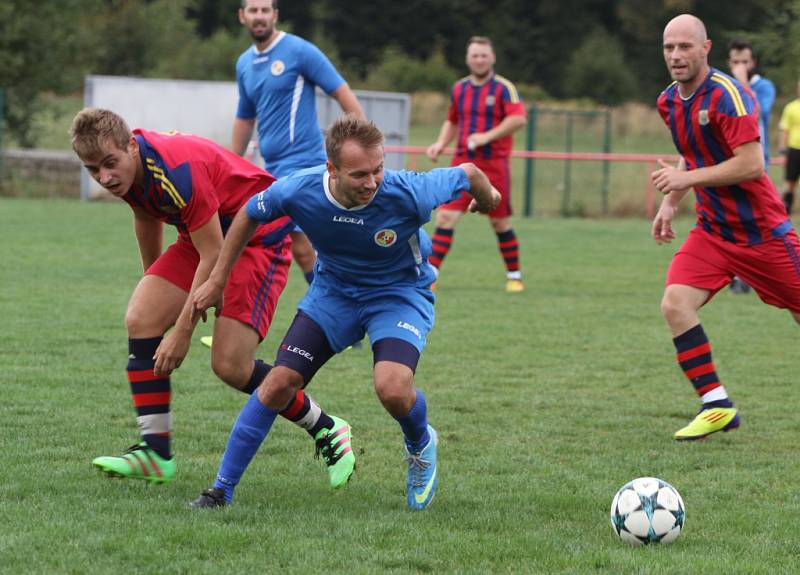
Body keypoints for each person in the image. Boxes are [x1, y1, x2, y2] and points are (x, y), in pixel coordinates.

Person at [188, 115, 501, 509]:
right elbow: (250, 213)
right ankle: (220, 490)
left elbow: (470, 172)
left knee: (392, 388)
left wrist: (488, 198)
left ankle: (421, 442)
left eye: (378, 170)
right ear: (331, 169)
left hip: (399, 293)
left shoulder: (409, 191)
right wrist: (217, 280)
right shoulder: (299, 190)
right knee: (279, 382)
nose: (372, 182)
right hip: (334, 294)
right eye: (359, 175)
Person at [70, 108, 355, 487]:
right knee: (142, 316)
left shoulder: (176, 172)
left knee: (231, 366)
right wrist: (156, 288)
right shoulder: (129, 171)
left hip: (258, 236)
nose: (104, 177)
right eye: (93, 170)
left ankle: (326, 427)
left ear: (131, 147)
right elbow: (146, 217)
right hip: (207, 233)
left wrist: (182, 331)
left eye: (109, 164)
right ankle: (155, 453)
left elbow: (214, 254)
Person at [652, 15, 800, 441]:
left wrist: (685, 182)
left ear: (705, 48)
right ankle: (716, 403)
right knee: (675, 304)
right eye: (668, 48)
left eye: (684, 47)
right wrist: (670, 202)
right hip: (714, 232)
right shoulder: (668, 101)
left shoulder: (729, 96)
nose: (676, 56)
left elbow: (752, 164)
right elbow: (690, 155)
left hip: (762, 233)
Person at [233, 0, 365, 286]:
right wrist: (233, 165)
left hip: (305, 164)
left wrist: (363, 143)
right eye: (253, 11)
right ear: (242, 16)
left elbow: (342, 92)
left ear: (275, 15)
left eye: (265, 10)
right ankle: (335, 307)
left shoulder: (299, 51)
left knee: (260, 240)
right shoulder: (244, 63)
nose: (259, 16)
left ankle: (340, 305)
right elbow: (245, 118)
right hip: (272, 170)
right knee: (304, 250)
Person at [426, 36, 527, 293]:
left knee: (500, 223)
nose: (479, 60)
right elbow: (452, 120)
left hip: (494, 164)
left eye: (484, 55)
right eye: (475, 55)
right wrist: (440, 143)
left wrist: (486, 137)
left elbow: (519, 119)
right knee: (446, 217)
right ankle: (430, 276)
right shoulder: (459, 88)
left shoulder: (504, 88)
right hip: (463, 162)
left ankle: (514, 275)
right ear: (467, 59)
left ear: (492, 58)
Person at [727, 39, 777, 295]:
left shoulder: (764, 87)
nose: (740, 67)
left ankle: (760, 275)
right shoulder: (722, 87)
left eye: (744, 62)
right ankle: (737, 275)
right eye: (735, 62)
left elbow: (757, 112)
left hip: (757, 165)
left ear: (753, 63)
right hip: (728, 165)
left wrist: (742, 82)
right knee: (733, 219)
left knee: (760, 221)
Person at [778, 80, 800, 214]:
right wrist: (782, 150)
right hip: (794, 150)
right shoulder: (790, 107)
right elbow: (784, 130)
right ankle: (786, 210)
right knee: (790, 182)